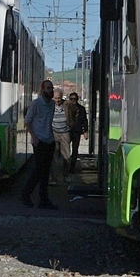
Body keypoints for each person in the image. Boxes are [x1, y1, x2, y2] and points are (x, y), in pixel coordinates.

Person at [19, 80, 58, 209]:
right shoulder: (36, 103)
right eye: (48, 88)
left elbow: (48, 122)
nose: (50, 90)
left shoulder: (52, 104)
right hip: (39, 141)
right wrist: (34, 137)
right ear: (42, 90)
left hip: (49, 141)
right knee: (38, 170)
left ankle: (44, 200)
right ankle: (25, 194)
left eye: (51, 88)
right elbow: (27, 121)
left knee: (45, 172)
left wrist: (52, 137)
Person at [50, 87, 71, 184]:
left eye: (59, 98)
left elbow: (75, 113)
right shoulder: (49, 105)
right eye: (55, 98)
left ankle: (66, 175)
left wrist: (72, 125)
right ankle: (54, 178)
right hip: (53, 132)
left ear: (62, 97)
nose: (57, 100)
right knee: (54, 157)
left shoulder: (67, 105)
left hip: (65, 133)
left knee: (66, 156)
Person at [65, 92, 89, 173]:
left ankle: (72, 166)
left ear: (77, 99)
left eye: (74, 99)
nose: (73, 101)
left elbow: (84, 120)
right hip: (67, 131)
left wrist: (85, 131)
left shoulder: (81, 109)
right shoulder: (66, 109)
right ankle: (66, 165)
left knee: (75, 149)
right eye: (71, 99)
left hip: (77, 131)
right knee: (66, 149)